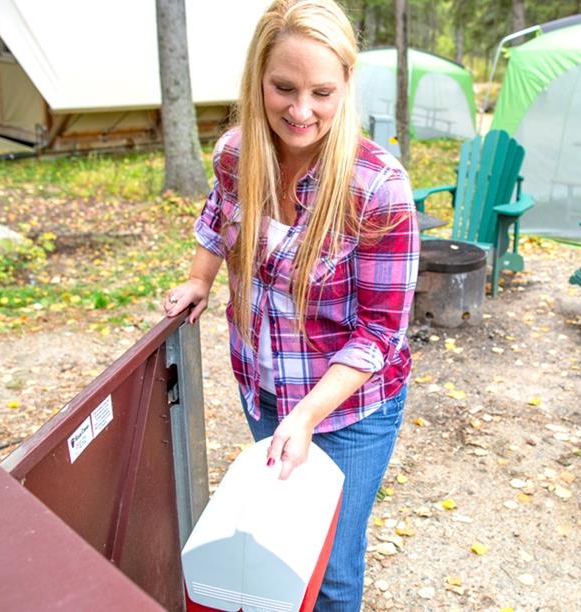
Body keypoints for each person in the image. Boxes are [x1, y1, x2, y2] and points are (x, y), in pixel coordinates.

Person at [164, 0, 419, 609]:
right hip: (264, 390)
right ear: (258, 79)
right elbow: (217, 215)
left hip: (352, 412)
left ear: (347, 86)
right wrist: (201, 277)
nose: (300, 112)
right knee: (281, 544)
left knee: (329, 562)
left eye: (321, 93)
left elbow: (381, 334)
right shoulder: (236, 153)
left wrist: (304, 418)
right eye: (283, 88)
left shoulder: (378, 187)